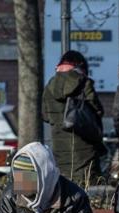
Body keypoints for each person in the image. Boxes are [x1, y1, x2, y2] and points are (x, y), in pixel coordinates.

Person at [42, 50, 105, 187]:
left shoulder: (49, 87)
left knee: (66, 189)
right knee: (88, 189)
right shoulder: (83, 83)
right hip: (85, 149)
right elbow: (97, 110)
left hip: (60, 148)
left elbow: (45, 115)